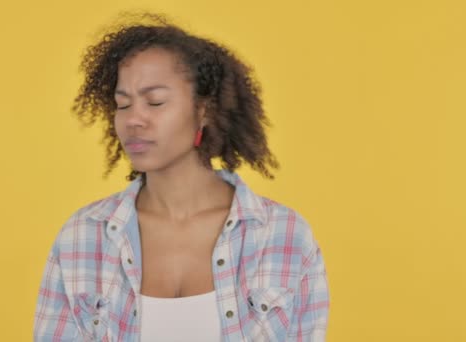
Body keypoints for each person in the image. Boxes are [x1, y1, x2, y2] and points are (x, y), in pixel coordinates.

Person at [33, 13, 330, 342]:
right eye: (122, 104)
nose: (134, 120)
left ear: (204, 110)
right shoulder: (83, 237)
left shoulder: (284, 237)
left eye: (155, 101)